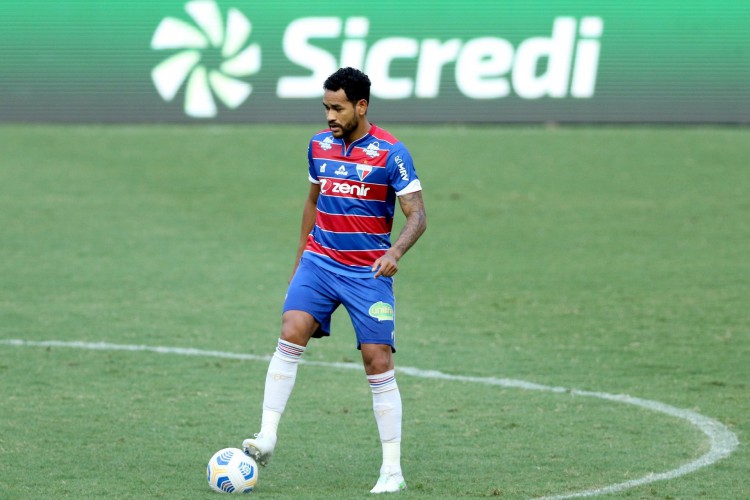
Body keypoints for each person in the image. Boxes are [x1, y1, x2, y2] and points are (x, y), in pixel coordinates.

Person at [242, 67, 427, 494]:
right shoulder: (318, 146)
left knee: (377, 359)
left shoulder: (391, 153)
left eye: (337, 108)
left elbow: (417, 214)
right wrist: (300, 259)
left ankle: (392, 469)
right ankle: (267, 435)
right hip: (320, 262)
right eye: (326, 107)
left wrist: (395, 251)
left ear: (361, 106)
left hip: (368, 271)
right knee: (291, 330)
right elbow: (313, 201)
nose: (329, 116)